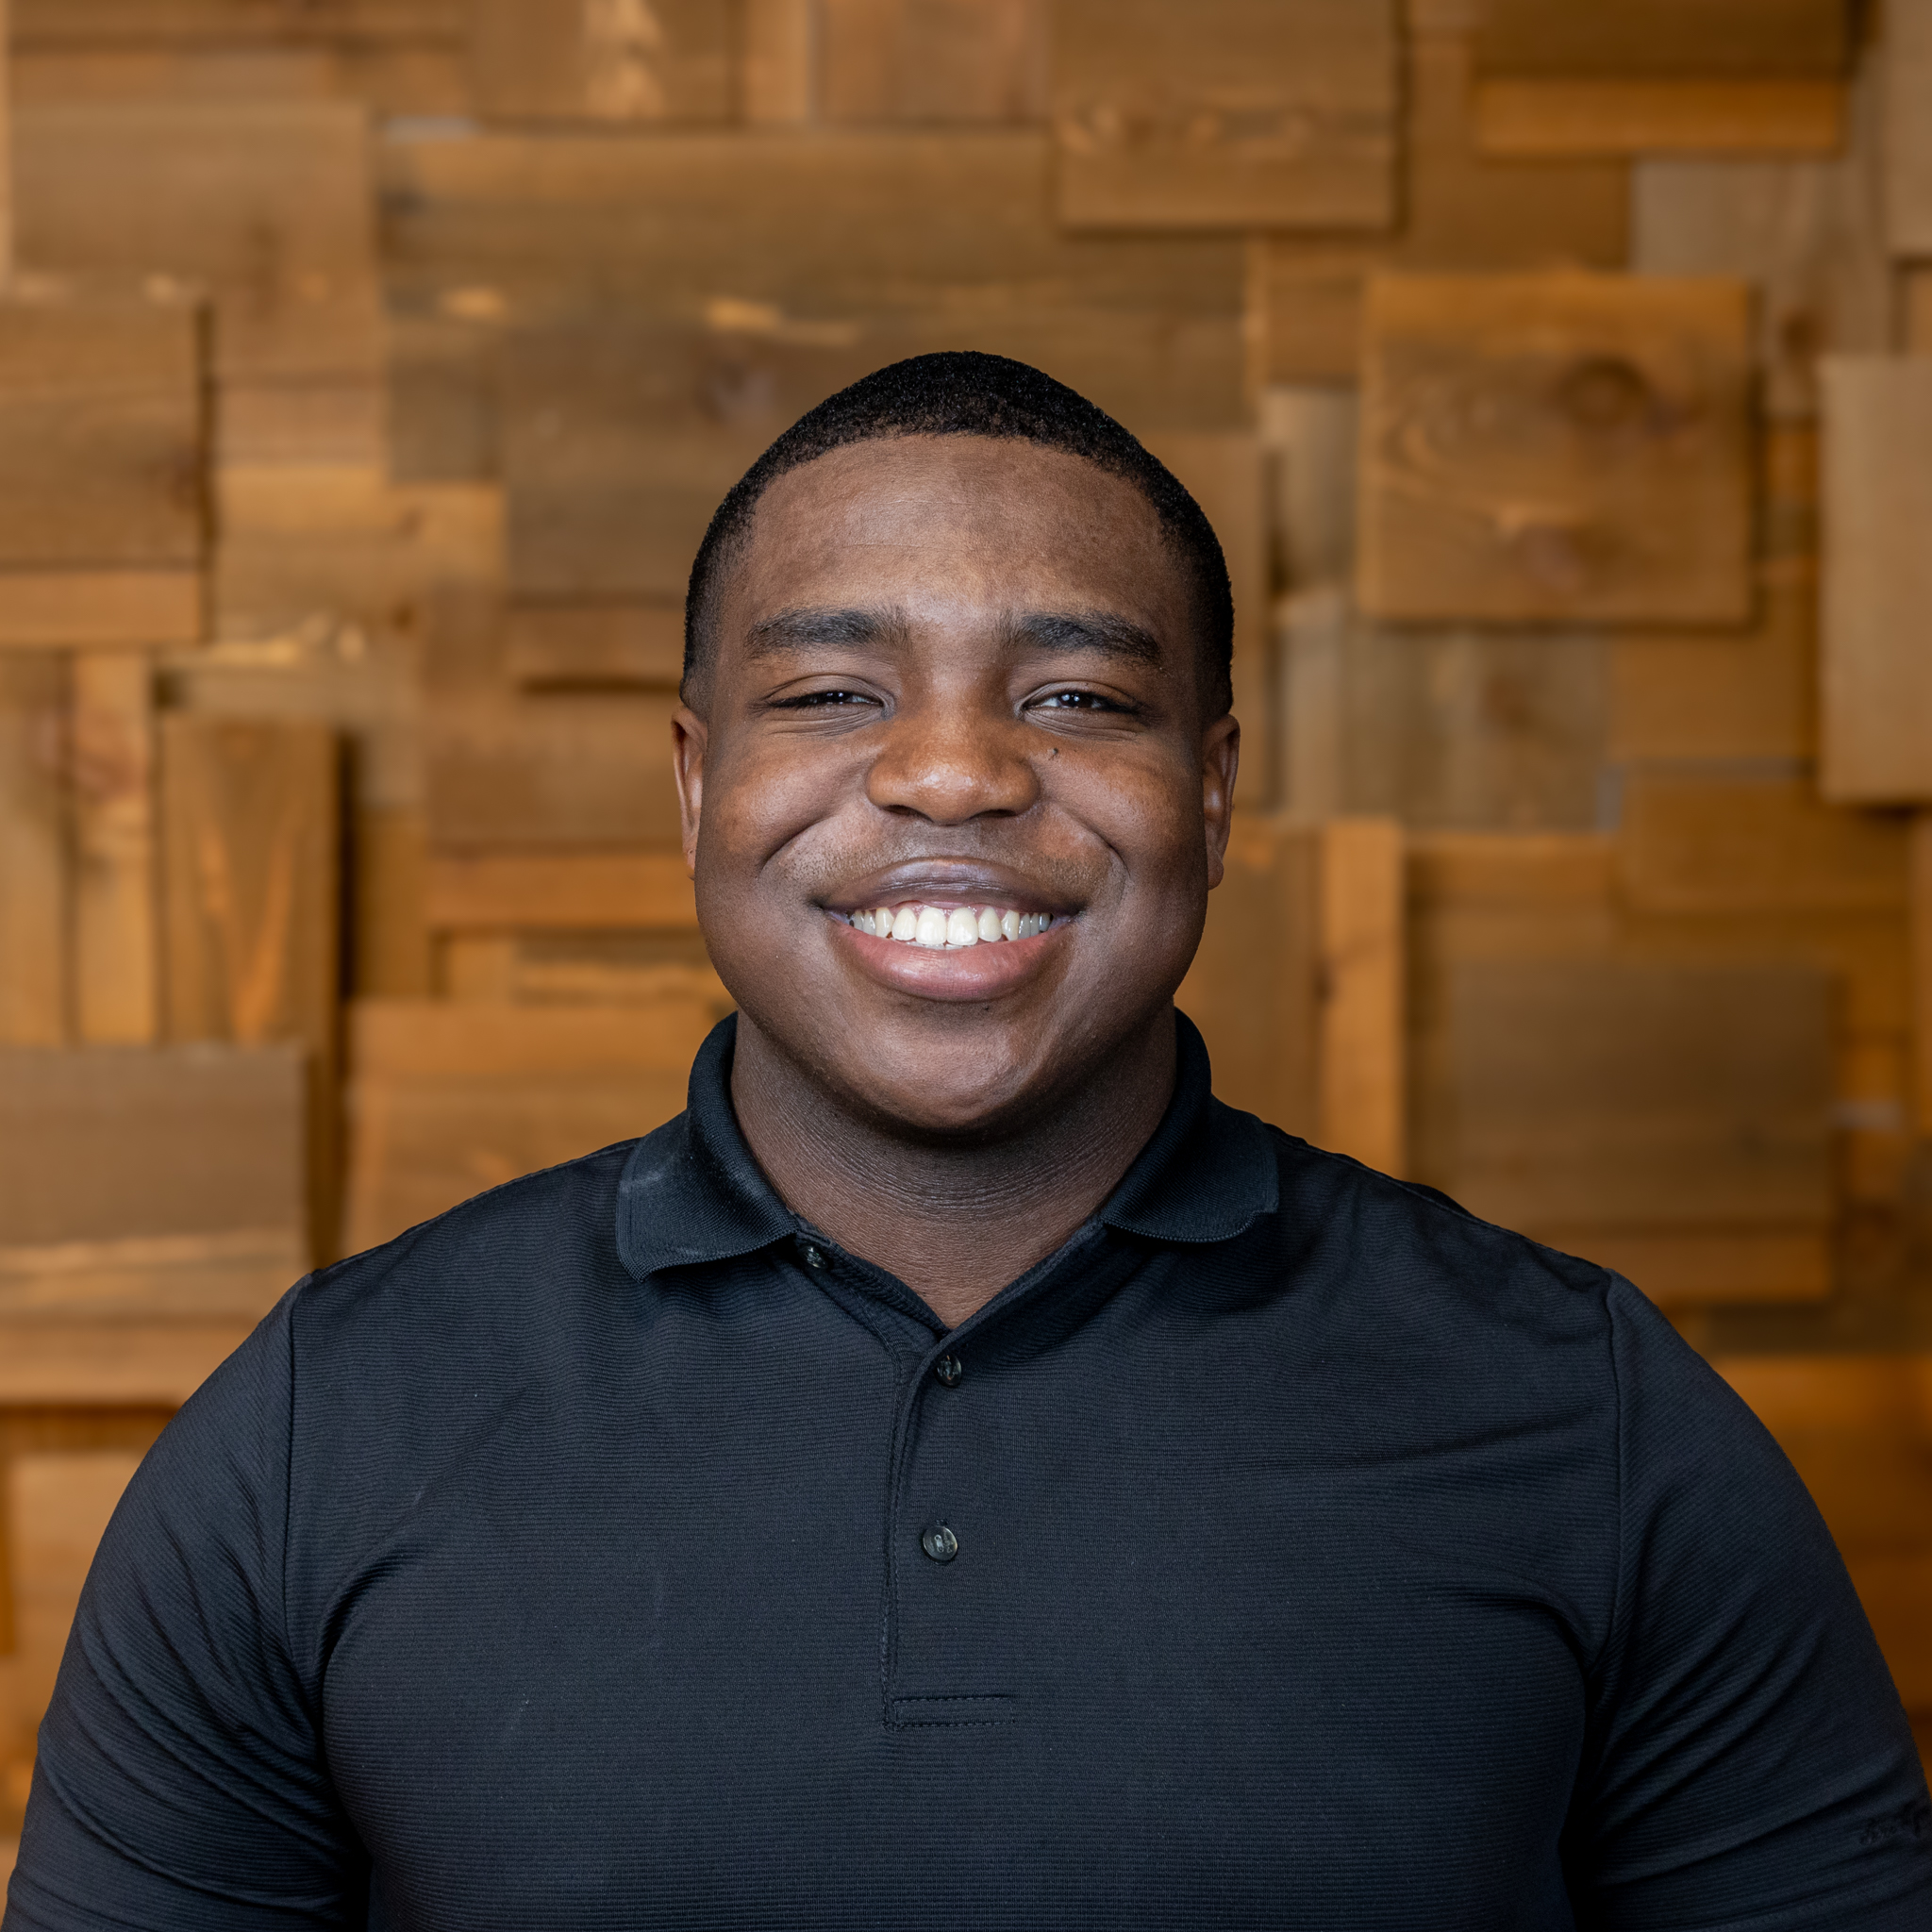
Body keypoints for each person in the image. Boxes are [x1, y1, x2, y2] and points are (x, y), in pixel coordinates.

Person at [6, 353, 1928, 1931]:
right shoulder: (321, 1430)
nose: (950, 771)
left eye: (1076, 696)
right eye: (832, 693)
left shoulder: (1587, 1415)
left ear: (1213, 792)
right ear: (696, 785)